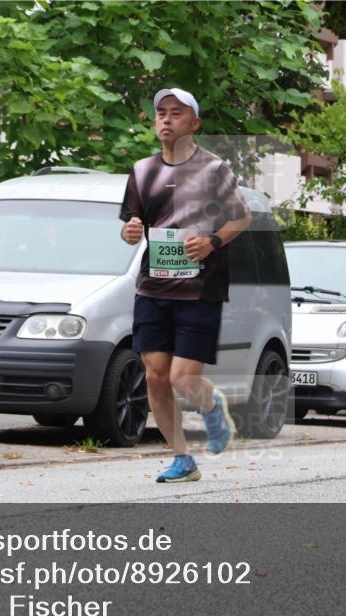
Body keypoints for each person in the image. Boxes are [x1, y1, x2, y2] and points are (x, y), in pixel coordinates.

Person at [119, 88, 253, 482]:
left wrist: (211, 242)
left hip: (200, 289)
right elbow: (132, 225)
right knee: (155, 374)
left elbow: (240, 219)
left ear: (194, 123)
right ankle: (182, 458)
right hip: (152, 288)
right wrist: (129, 231)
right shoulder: (142, 171)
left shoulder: (214, 170)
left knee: (183, 379)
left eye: (175, 113)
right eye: (160, 113)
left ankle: (210, 407)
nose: (165, 120)